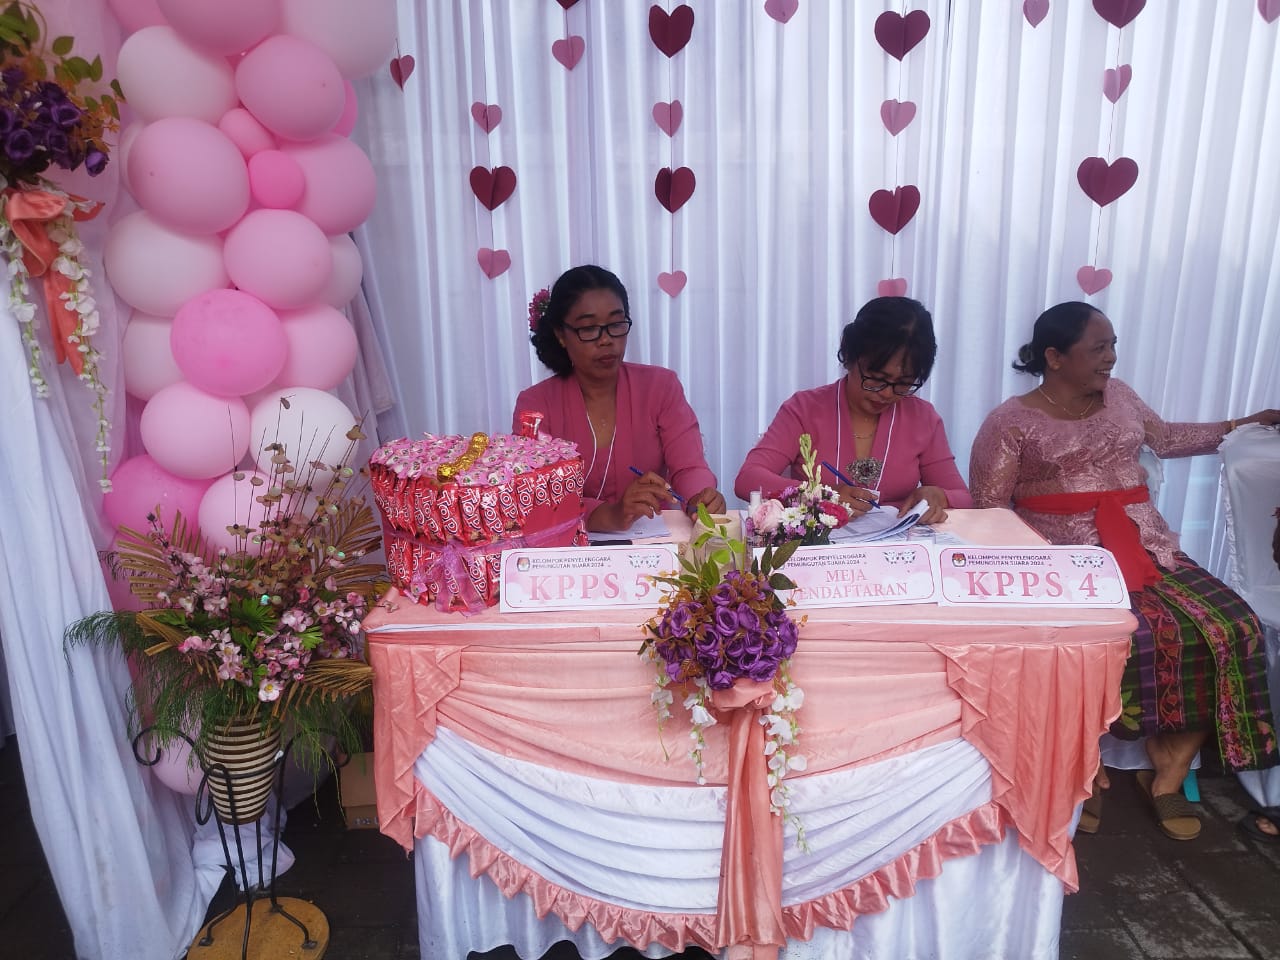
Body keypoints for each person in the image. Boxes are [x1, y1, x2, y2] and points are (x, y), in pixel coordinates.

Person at [969, 300, 1280, 842]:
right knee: (1102, 645)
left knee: (1235, 627)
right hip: (1065, 563)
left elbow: (1167, 439)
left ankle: (1169, 772)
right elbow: (989, 509)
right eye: (1099, 347)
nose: (1111, 357)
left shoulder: (1122, 396)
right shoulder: (1009, 421)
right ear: (1055, 356)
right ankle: (1083, 774)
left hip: (1148, 546)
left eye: (1113, 345)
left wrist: (1240, 424)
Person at [513, 265, 726, 532]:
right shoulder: (535, 405)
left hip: (654, 540)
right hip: (569, 547)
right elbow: (535, 496)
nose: (606, 340)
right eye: (588, 328)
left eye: (615, 325)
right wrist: (609, 515)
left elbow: (689, 467)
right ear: (561, 335)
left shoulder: (661, 387)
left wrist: (700, 497)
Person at [735, 296, 971, 524]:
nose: (887, 393)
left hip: (898, 546)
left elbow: (963, 498)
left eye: (903, 384)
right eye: (877, 379)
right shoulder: (804, 410)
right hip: (820, 544)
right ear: (849, 356)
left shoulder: (923, 418)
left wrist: (939, 496)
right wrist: (820, 495)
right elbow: (748, 479)